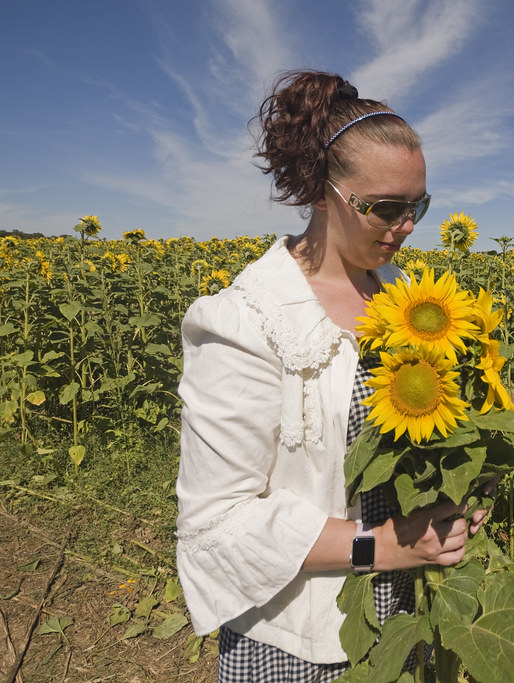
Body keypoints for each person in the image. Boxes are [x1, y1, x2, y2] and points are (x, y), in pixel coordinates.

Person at [175, 69, 490, 681]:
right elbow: (219, 523)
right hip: (302, 635)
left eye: (418, 204)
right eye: (386, 208)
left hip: (404, 614)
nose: (407, 226)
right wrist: (387, 545)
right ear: (322, 193)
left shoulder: (404, 301)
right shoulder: (245, 322)